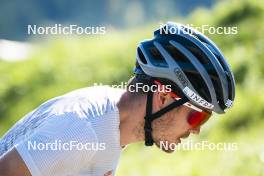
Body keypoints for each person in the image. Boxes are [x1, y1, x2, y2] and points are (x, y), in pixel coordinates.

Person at [0, 22, 235, 176]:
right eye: (197, 116)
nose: (196, 131)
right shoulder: (82, 128)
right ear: (164, 96)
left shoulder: (110, 130)